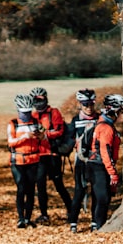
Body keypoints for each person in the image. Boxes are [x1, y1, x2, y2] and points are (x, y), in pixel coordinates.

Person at [30, 86, 72, 224]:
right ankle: (44, 214)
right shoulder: (33, 116)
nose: (38, 103)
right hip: (39, 155)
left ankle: (71, 210)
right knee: (40, 184)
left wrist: (45, 135)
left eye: (40, 100)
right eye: (35, 100)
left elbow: (59, 130)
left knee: (58, 184)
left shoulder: (53, 112)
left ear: (46, 99)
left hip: (53, 153)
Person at [87, 94, 123, 232]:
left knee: (98, 197)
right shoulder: (106, 127)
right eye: (121, 111)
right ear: (115, 111)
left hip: (96, 165)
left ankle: (95, 224)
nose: (122, 115)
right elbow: (105, 152)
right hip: (99, 166)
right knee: (103, 198)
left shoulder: (104, 122)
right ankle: (98, 226)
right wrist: (112, 173)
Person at [8, 93, 42, 228]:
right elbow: (11, 142)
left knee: (31, 190)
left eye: (28, 112)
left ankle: (28, 218)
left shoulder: (35, 122)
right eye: (24, 113)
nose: (27, 115)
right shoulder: (13, 124)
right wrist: (26, 136)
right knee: (21, 187)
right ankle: (20, 218)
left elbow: (44, 137)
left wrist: (40, 135)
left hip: (33, 160)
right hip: (18, 161)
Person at [67, 89, 98, 233]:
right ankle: (73, 222)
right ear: (80, 104)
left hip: (97, 161)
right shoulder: (76, 120)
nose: (89, 107)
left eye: (91, 104)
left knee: (96, 192)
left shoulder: (99, 118)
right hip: (80, 161)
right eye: (85, 104)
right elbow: (68, 138)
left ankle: (95, 221)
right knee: (79, 191)